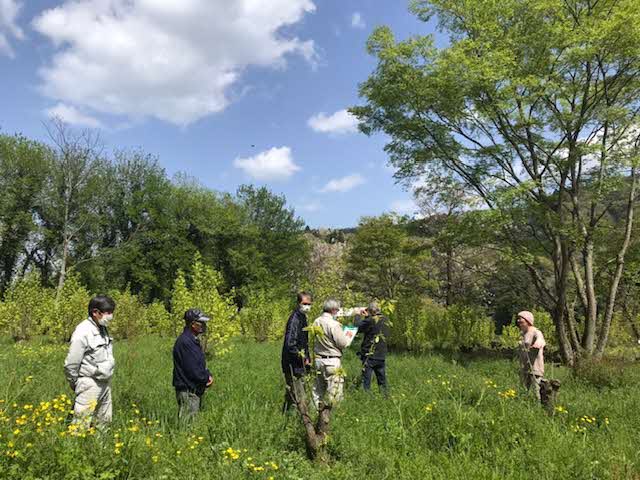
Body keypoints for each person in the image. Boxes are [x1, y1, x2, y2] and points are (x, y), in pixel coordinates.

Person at [64, 295, 116, 427]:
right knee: (80, 426)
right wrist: (75, 382)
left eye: (111, 312)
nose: (110, 316)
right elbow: (71, 363)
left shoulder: (102, 329)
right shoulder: (83, 331)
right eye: (107, 313)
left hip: (105, 383)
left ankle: (99, 448)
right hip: (89, 383)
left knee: (103, 423)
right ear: (95, 312)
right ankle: (76, 448)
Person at [312, 299, 354, 408]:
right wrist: (348, 337)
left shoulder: (316, 321)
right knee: (335, 392)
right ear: (333, 310)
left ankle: (315, 413)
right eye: (337, 310)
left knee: (317, 392)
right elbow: (343, 343)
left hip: (318, 359)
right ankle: (332, 416)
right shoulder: (334, 324)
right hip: (332, 360)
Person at [172, 308, 213, 422]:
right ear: (192, 324)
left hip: (193, 390)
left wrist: (207, 374)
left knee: (192, 424)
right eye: (201, 323)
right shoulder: (185, 342)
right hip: (188, 391)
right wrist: (205, 379)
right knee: (188, 426)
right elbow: (192, 369)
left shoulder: (191, 340)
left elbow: (198, 364)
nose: (204, 326)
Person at [281, 292, 313, 412]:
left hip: (300, 364)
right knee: (300, 396)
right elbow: (290, 344)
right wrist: (303, 358)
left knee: (292, 394)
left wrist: (307, 358)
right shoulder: (295, 319)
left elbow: (303, 342)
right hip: (293, 364)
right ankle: (303, 421)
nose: (307, 306)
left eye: (309, 304)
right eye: (304, 303)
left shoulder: (303, 317)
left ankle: (286, 415)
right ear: (298, 303)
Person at [354, 302, 390, 393]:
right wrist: (367, 317)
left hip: (369, 355)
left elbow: (357, 327)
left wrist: (357, 315)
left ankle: (367, 398)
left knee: (366, 381)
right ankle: (385, 397)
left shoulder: (370, 320)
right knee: (382, 380)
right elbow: (373, 328)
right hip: (381, 354)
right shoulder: (385, 319)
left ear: (370, 311)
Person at [516, 310, 546, 400]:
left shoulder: (536, 332)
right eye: (518, 319)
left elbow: (541, 340)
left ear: (528, 321)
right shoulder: (522, 333)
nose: (518, 321)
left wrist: (538, 344)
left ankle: (539, 408)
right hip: (525, 368)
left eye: (521, 319)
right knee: (523, 390)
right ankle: (524, 407)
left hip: (535, 368)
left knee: (536, 391)